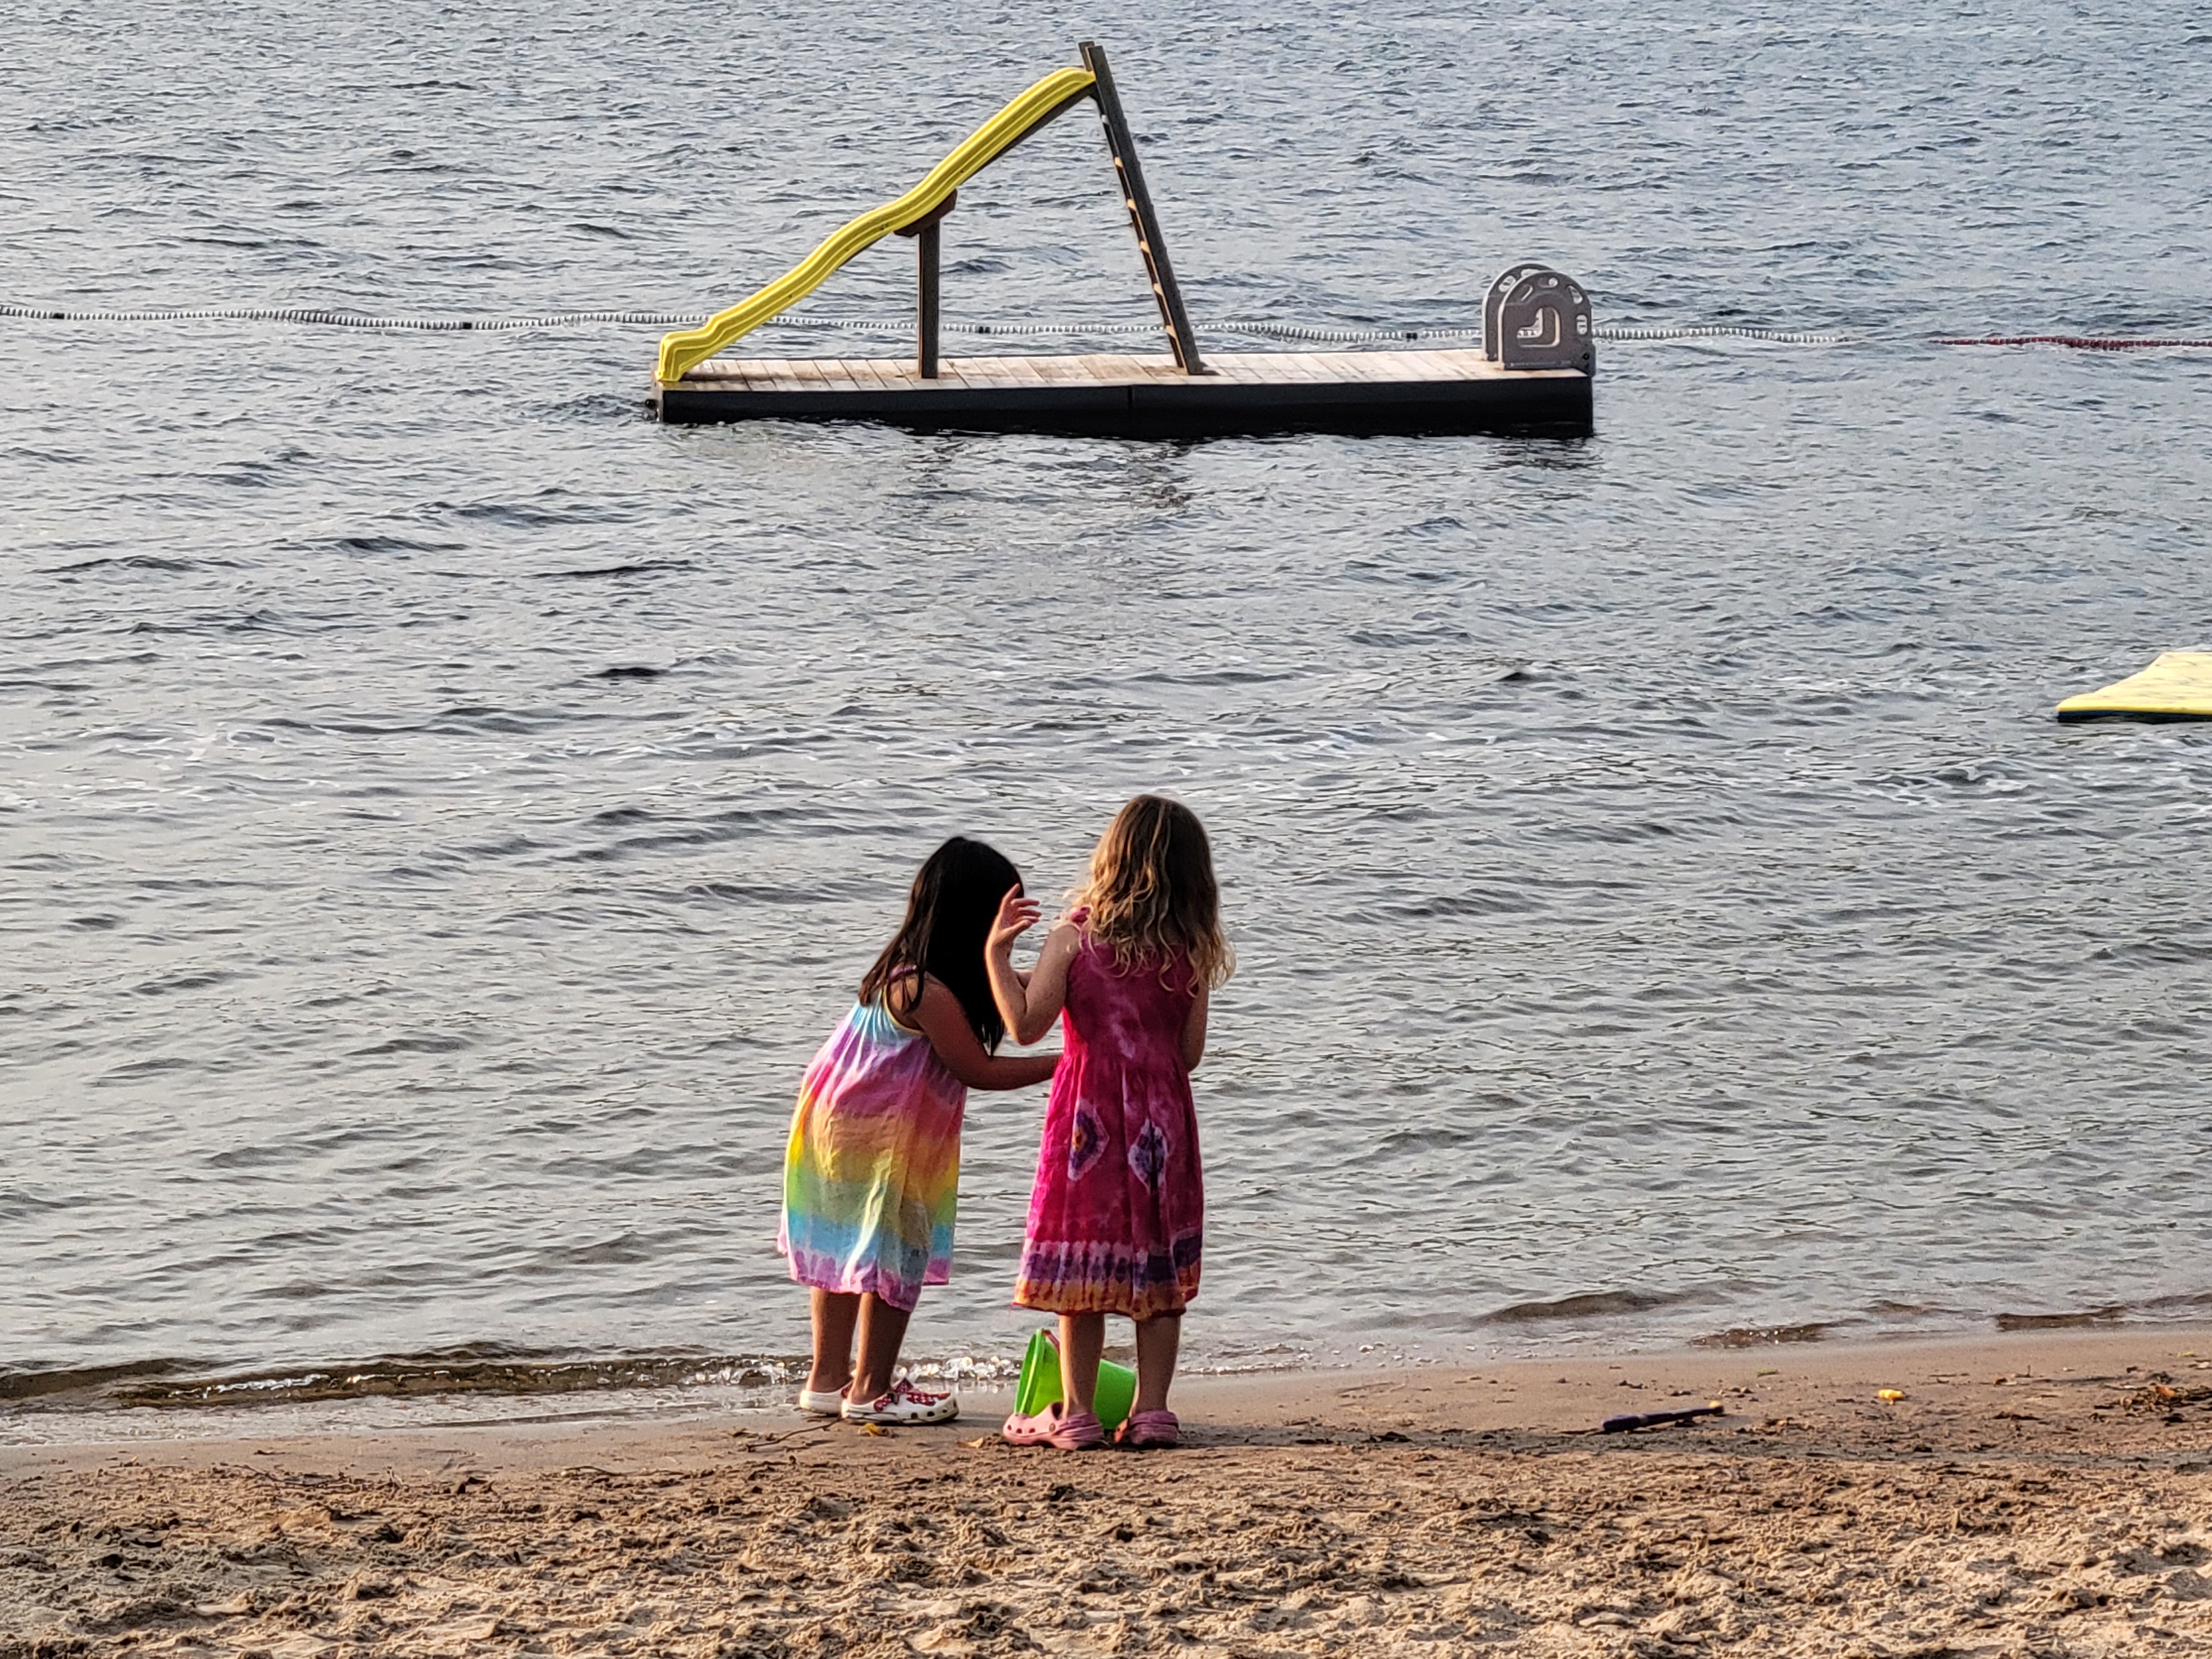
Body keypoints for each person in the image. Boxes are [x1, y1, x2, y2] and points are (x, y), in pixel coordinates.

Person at [781, 836, 1060, 1425]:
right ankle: (871, 1390)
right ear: (972, 918)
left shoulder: (905, 975)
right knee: (894, 1252)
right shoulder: (926, 991)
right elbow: (976, 1070)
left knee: (843, 1245)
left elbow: (1026, 994)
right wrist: (1071, 1066)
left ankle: (828, 1380)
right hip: (880, 1137)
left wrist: (1062, 971)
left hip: (836, 1123)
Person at [985, 795, 1231, 1450]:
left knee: (1081, 1276)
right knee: (1158, 1272)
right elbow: (1188, 1055)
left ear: (1111, 859)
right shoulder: (1189, 953)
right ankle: (1152, 1412)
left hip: (1086, 1126)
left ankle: (1079, 1416)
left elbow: (1025, 1026)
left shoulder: (1075, 938)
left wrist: (996, 958)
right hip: (1161, 1127)